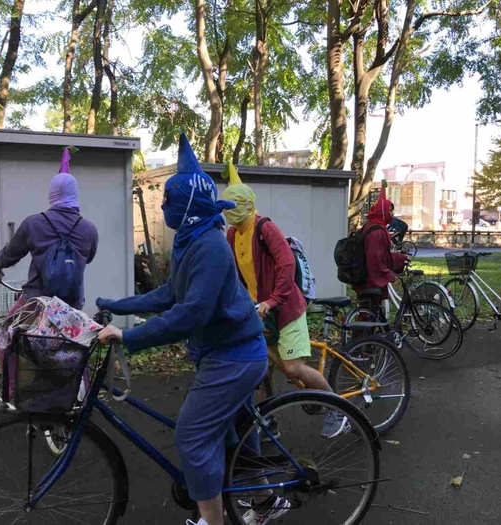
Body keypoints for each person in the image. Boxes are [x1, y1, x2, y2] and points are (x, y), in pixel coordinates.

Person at [95, 135, 287, 525]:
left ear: (187, 205)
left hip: (234, 356)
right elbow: (170, 293)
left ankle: (211, 521)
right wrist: (119, 305)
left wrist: (129, 336)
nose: (163, 206)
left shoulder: (210, 247)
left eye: (168, 200)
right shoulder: (190, 240)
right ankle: (266, 500)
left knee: (192, 435)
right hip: (223, 352)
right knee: (234, 433)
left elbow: (191, 314)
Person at [220, 161, 349, 439]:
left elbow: (287, 264)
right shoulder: (232, 234)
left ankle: (338, 410)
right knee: (260, 369)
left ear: (246, 205)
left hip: (285, 308)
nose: (228, 212)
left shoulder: (264, 228)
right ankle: (269, 423)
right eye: (226, 207)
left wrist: (274, 300)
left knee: (293, 367)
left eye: (232, 206)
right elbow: (233, 273)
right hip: (260, 312)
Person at [0, 147, 99, 310]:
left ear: (52, 193)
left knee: (9, 325)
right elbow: (88, 258)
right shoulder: (89, 229)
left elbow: (11, 253)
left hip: (37, 303)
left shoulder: (33, 223)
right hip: (71, 306)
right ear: (75, 193)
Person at [358, 180, 408, 301]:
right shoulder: (377, 232)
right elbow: (375, 259)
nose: (392, 214)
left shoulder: (373, 226)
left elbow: (382, 255)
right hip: (370, 282)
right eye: (390, 210)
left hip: (365, 279)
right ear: (383, 211)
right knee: (372, 308)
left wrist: (400, 258)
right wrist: (389, 275)